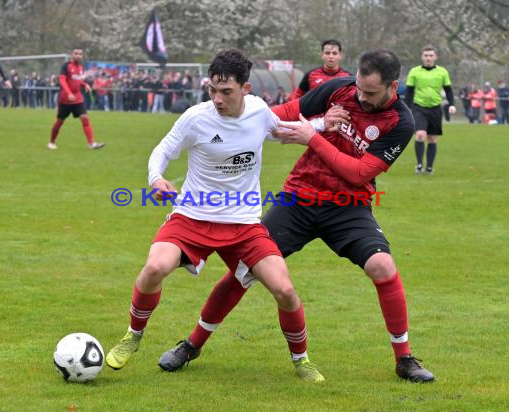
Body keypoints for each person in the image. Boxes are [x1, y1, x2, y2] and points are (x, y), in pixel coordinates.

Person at [158, 49, 435, 384]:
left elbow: (360, 173)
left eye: (371, 93)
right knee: (245, 271)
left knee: (382, 266)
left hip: (348, 205)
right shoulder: (339, 89)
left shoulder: (401, 122)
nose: (361, 97)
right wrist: (251, 119)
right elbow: (280, 115)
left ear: (393, 86)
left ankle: (404, 358)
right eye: (360, 88)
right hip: (298, 199)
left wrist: (313, 137)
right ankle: (192, 345)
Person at [106, 49, 332, 383]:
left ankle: (302, 360)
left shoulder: (258, 112)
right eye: (213, 90)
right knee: (154, 268)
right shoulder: (196, 117)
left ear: (246, 88)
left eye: (226, 91)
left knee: (284, 290)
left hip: (243, 225)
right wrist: (156, 177)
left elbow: (282, 132)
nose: (217, 98)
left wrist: (325, 124)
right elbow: (163, 149)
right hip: (192, 217)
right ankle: (132, 336)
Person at [405, 45, 455, 175]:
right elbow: (409, 92)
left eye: (431, 55)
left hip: (435, 109)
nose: (428, 58)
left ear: (435, 57)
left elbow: (448, 90)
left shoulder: (442, 72)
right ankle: (419, 164)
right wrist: (406, 109)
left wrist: (452, 104)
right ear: (422, 57)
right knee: (420, 135)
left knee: (432, 139)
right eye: (426, 55)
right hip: (418, 107)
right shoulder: (414, 72)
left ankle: (430, 167)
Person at [47, 48, 105, 150]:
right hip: (65, 99)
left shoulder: (81, 67)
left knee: (85, 118)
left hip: (77, 98)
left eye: (80, 54)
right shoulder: (66, 66)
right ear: (72, 54)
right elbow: (62, 80)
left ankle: (91, 143)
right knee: (60, 121)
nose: (78, 55)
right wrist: (69, 93)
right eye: (76, 53)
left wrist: (84, 84)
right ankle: (51, 142)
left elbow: (77, 80)